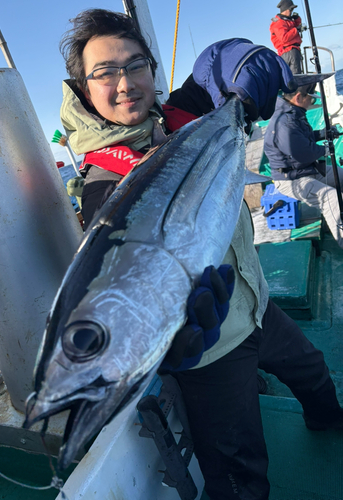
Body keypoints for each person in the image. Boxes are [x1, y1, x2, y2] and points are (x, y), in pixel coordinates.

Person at [59, 9, 343, 499]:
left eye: (135, 65)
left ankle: (327, 424)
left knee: (314, 372)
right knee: (239, 472)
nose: (124, 82)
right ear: (84, 88)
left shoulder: (179, 117)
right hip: (212, 353)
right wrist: (170, 341)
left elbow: (217, 63)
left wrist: (244, 65)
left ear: (152, 71)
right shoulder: (107, 189)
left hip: (256, 303)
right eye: (104, 72)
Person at [264, 84, 343, 248]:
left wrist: (322, 134)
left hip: (305, 170)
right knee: (330, 197)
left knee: (341, 176)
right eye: (310, 96)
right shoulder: (285, 122)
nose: (311, 100)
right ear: (298, 97)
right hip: (291, 179)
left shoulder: (294, 113)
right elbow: (301, 152)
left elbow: (303, 139)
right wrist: (325, 150)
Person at [270, 0, 307, 74]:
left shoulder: (286, 20)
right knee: (295, 77)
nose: (292, 11)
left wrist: (297, 19)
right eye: (291, 9)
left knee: (292, 77)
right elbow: (284, 38)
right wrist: (296, 30)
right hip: (289, 52)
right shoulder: (279, 22)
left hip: (291, 51)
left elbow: (295, 26)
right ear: (286, 10)